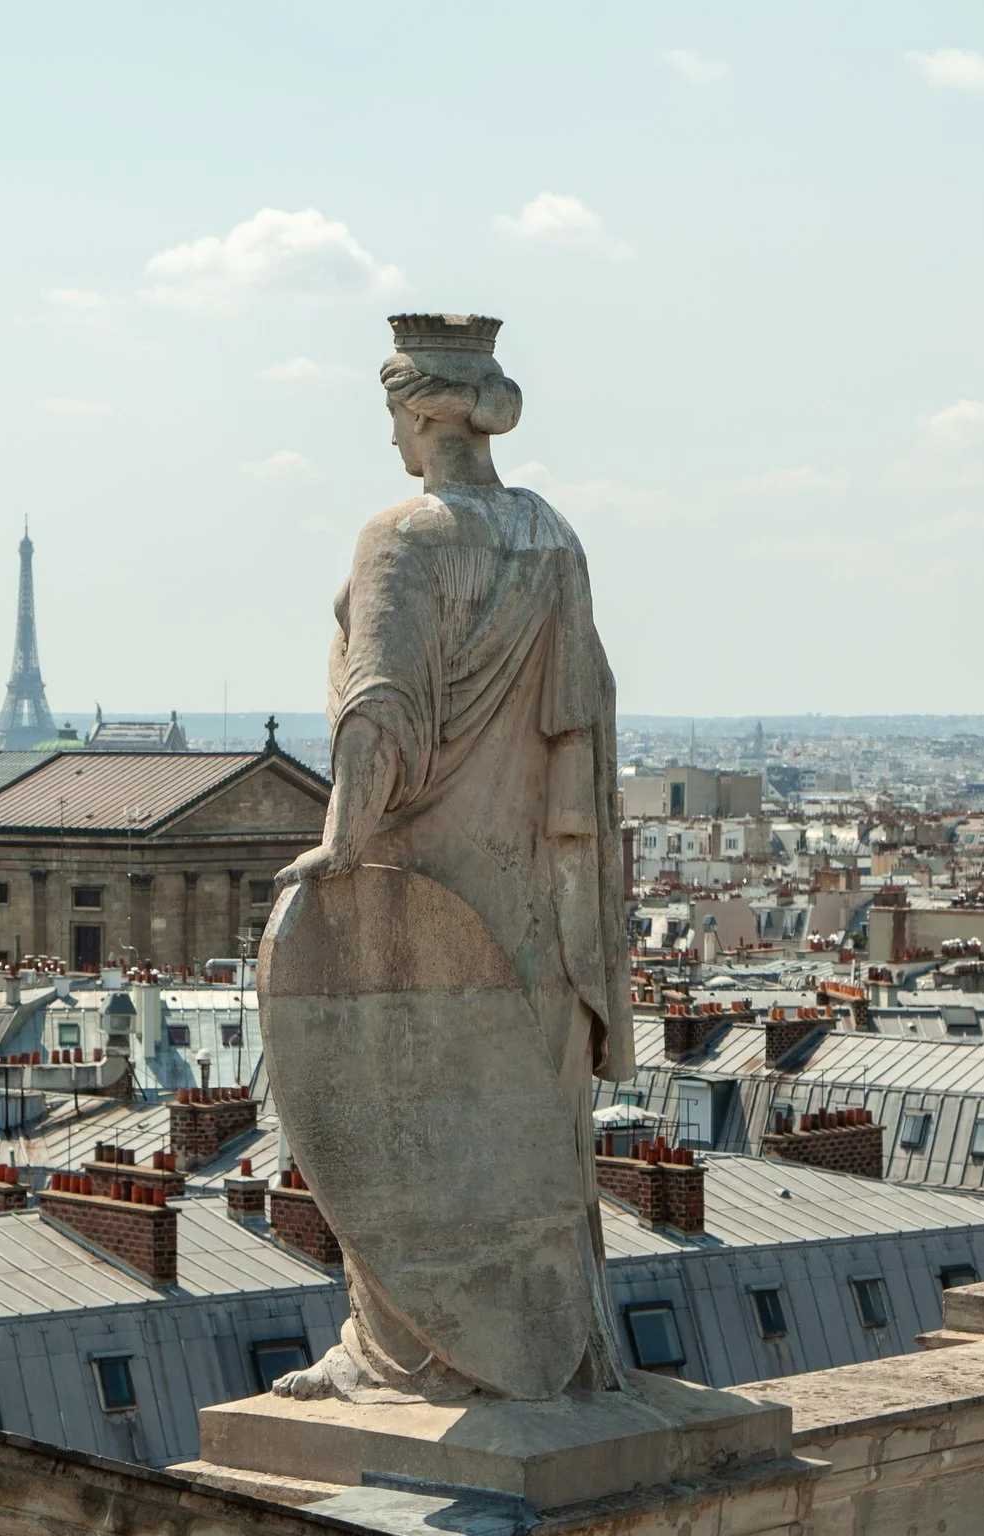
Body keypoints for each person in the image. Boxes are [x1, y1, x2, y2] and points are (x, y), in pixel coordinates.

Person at [265, 313, 635, 1400]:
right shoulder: (550, 534)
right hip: (533, 897)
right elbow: (585, 714)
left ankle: (406, 1359)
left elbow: (376, 708)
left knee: (405, 1123)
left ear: (417, 410)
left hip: (422, 886)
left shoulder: (404, 536)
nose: (389, 440)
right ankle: (548, 1351)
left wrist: (339, 844)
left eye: (390, 415)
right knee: (527, 1131)